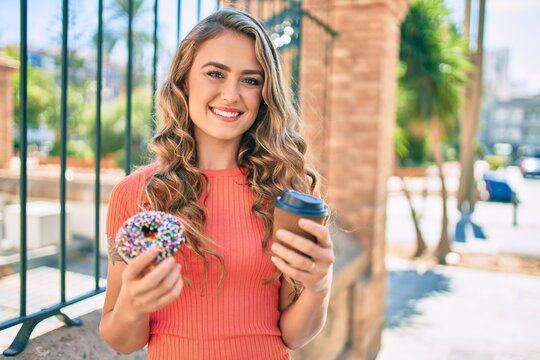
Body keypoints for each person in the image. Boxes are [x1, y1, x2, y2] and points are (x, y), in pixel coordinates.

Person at [99, 8, 334, 360]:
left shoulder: (290, 192)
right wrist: (134, 302)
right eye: (215, 73)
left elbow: (293, 335)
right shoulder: (136, 194)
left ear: (264, 93)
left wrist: (318, 286)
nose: (231, 94)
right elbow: (121, 340)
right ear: (184, 80)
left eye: (250, 80)